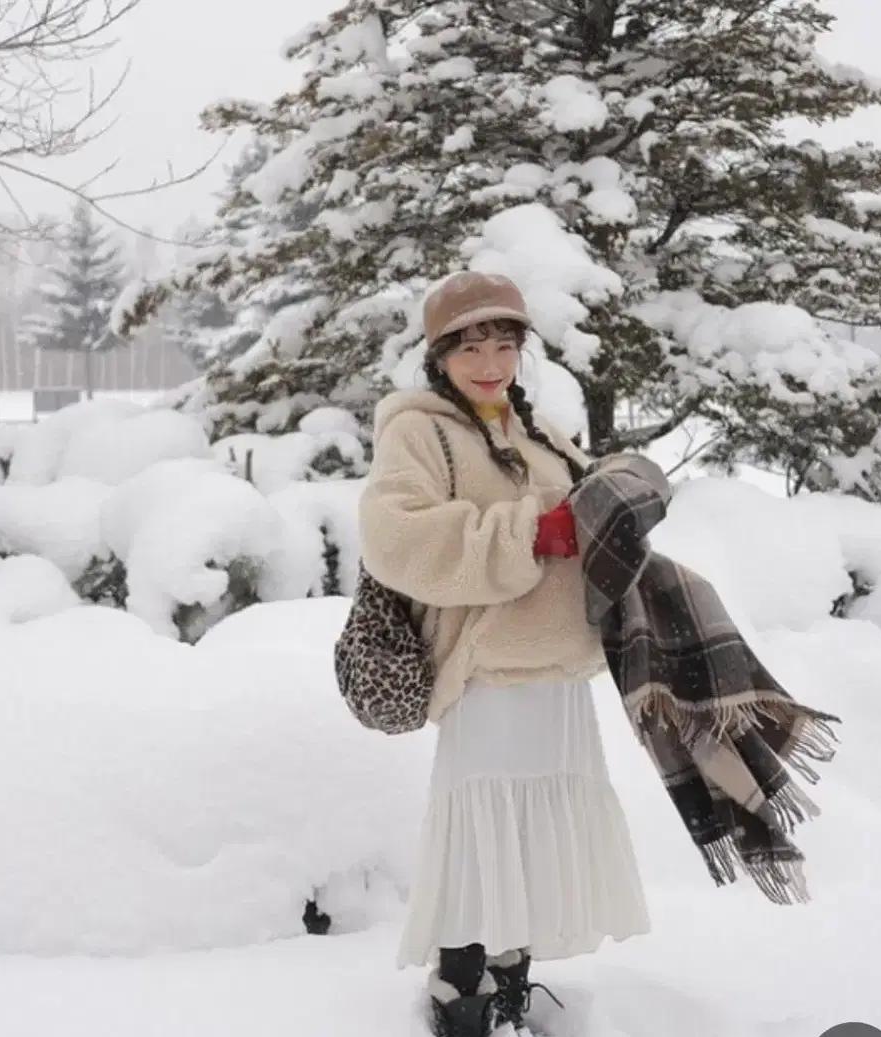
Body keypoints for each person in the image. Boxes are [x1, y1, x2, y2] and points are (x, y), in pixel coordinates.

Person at [358, 271, 651, 1037]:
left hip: (557, 673)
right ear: (439, 355)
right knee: (479, 838)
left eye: (503, 344)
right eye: (470, 347)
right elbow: (394, 537)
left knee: (529, 839)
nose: (489, 362)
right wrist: (526, 533)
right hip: (485, 671)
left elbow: (582, 507)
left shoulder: (536, 430)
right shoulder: (418, 430)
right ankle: (460, 995)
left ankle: (512, 990)